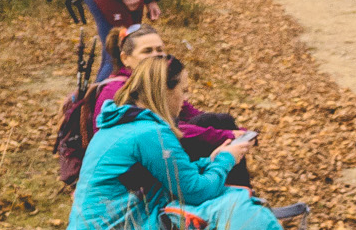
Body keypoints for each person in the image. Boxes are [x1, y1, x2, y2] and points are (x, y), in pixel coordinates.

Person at [63, 57, 301, 230]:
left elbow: (172, 174)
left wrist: (211, 161)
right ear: (164, 91)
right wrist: (227, 159)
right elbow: (196, 192)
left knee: (220, 214)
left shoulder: (123, 121)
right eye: (183, 91)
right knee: (219, 214)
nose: (184, 99)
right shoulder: (149, 133)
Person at [91, 25, 248, 186]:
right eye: (147, 51)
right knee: (213, 135)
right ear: (125, 58)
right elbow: (169, 130)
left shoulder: (156, 83)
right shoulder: (117, 91)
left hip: (147, 160)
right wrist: (223, 137)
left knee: (219, 120)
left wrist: (228, 134)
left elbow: (188, 113)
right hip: (133, 175)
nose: (155, 55)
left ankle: (239, 195)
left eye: (159, 50)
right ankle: (237, 196)